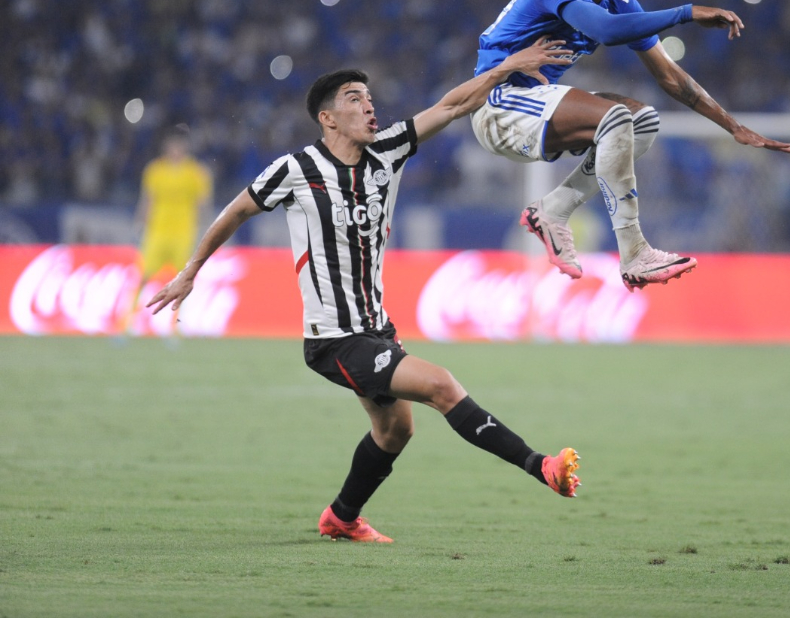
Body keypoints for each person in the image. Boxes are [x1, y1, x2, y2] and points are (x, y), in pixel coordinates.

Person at [147, 38, 578, 543]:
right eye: (354, 98)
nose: (369, 104)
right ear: (328, 118)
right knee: (441, 385)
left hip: (377, 329)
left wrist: (508, 68)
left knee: (396, 431)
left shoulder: (388, 152)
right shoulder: (296, 170)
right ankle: (541, 466)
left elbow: (454, 105)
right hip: (334, 338)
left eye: (369, 96)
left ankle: (341, 517)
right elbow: (238, 209)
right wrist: (191, 270)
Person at [472, 0, 790, 291]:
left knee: (642, 121)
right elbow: (606, 32)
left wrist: (733, 127)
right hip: (497, 105)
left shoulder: (620, 0)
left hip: (533, 104)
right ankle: (635, 252)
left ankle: (552, 211)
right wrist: (687, 13)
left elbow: (671, 77)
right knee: (614, 118)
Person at [127, 127, 212, 332]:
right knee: (142, 277)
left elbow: (203, 204)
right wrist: (140, 224)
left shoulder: (197, 172)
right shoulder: (155, 170)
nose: (175, 150)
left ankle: (176, 328)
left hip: (183, 233)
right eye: (172, 145)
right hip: (156, 232)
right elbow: (147, 200)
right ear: (166, 147)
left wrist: (207, 232)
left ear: (185, 148)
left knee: (182, 282)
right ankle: (127, 325)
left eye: (179, 146)